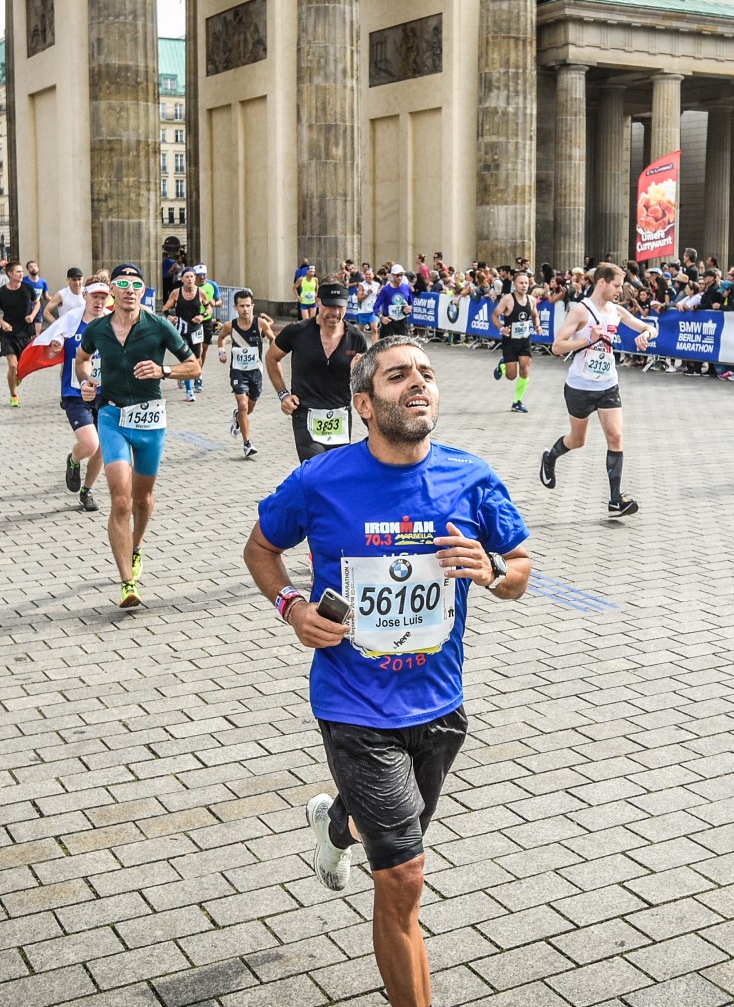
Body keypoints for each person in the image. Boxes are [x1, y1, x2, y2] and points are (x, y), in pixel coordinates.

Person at [242, 335, 531, 1007]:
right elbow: (260, 548)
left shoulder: (471, 476)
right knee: (402, 879)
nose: (419, 384)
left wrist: (492, 574)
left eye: (427, 374)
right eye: (399, 376)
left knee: (386, 837)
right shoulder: (320, 480)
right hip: (353, 707)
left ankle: (337, 825)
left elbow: (519, 571)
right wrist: (291, 607)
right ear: (365, 404)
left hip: (440, 705)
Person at [74, 263, 202, 608]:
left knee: (143, 500)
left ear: (143, 292)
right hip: (113, 415)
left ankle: (136, 544)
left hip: (150, 421)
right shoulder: (98, 328)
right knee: (121, 500)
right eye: (123, 284)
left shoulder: (158, 325)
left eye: (136, 285)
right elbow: (82, 360)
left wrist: (164, 370)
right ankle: (127, 583)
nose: (130, 290)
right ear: (112, 291)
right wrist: (87, 381)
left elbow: (195, 366)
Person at [540, 262, 657, 517]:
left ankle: (615, 500)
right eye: (616, 285)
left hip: (607, 384)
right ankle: (550, 457)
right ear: (602, 282)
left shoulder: (616, 311)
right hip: (580, 386)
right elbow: (557, 346)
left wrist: (647, 335)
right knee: (577, 440)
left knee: (615, 436)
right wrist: (587, 340)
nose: (620, 290)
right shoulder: (582, 311)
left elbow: (648, 325)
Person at [266, 282, 369, 463]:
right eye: (329, 306)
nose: (335, 313)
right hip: (306, 413)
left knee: (337, 473)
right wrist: (283, 395)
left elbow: (365, 378)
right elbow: (271, 358)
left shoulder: (355, 338)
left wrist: (358, 372)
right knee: (315, 469)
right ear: (318, 301)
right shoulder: (298, 331)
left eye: (339, 307)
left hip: (340, 416)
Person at [50, 274, 111, 511]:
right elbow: (53, 339)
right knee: (89, 444)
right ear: (85, 295)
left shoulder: (112, 321)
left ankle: (87, 491)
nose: (99, 301)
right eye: (95, 296)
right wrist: (56, 345)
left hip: (106, 393)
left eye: (104, 297)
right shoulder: (71, 319)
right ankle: (73, 460)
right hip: (76, 392)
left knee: (102, 446)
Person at [217, 289, 275, 459]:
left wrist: (273, 353)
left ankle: (237, 417)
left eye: (248, 306)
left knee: (248, 408)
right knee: (242, 405)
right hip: (238, 370)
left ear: (253, 306)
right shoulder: (230, 326)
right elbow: (221, 338)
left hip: (256, 371)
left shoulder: (261, 324)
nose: (245, 309)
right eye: (241, 306)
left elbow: (273, 339)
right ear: (235, 307)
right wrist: (221, 351)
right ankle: (247, 444)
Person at [0, 261, 40, 407]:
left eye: (22, 271)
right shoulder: (1, 293)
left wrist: (33, 315)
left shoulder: (28, 288)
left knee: (21, 366)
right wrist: (2, 323)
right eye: (18, 272)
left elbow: (37, 303)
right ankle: (14, 395)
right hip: (8, 334)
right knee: (12, 366)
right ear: (10, 274)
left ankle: (18, 377)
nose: (21, 274)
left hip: (24, 333)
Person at [160, 268, 214, 402]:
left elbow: (209, 307)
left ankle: (197, 376)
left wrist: (202, 316)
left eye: (191, 276)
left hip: (196, 329)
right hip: (181, 330)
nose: (190, 279)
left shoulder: (200, 292)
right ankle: (189, 391)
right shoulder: (176, 293)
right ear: (182, 279)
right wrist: (170, 317)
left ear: (194, 278)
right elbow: (165, 308)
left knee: (197, 356)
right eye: (187, 277)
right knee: (187, 358)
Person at [491, 270, 541, 413]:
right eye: (521, 283)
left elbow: (534, 315)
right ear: (515, 284)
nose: (524, 286)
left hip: (525, 340)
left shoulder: (531, 300)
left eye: (526, 283)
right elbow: (494, 316)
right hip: (510, 342)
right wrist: (501, 329)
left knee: (525, 370)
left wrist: (537, 326)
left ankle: (517, 402)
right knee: (511, 376)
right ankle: (503, 366)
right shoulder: (508, 299)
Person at [193, 264, 222, 381]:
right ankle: (191, 373)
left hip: (207, 320)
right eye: (199, 275)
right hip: (193, 321)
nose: (202, 277)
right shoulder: (190, 285)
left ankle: (198, 372)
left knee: (204, 349)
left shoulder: (212, 285)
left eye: (204, 275)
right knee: (196, 349)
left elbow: (219, 301)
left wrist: (215, 302)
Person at [375, 264, 414, 338]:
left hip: (402, 321)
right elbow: (375, 306)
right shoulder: (386, 290)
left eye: (401, 275)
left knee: (402, 346)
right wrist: (381, 317)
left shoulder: (407, 288)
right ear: (392, 275)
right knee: (387, 347)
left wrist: (409, 308)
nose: (400, 278)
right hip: (388, 321)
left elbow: (411, 303)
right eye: (397, 275)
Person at [23, 260, 49, 335]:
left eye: (35, 266)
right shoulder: (24, 281)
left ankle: (35, 344)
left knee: (37, 332)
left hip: (37, 307)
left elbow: (46, 295)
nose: (33, 268)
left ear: (38, 268)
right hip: (26, 307)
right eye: (31, 267)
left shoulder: (43, 282)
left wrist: (51, 300)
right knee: (26, 330)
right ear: (28, 270)